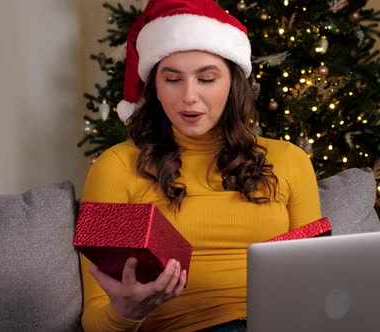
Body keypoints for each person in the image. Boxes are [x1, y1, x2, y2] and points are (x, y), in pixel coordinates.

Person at [79, 0, 322, 330]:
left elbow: (317, 279)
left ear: (233, 85)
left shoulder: (290, 160)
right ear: (155, 89)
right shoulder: (116, 167)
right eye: (173, 79)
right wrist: (126, 312)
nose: (189, 96)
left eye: (206, 79)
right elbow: (95, 318)